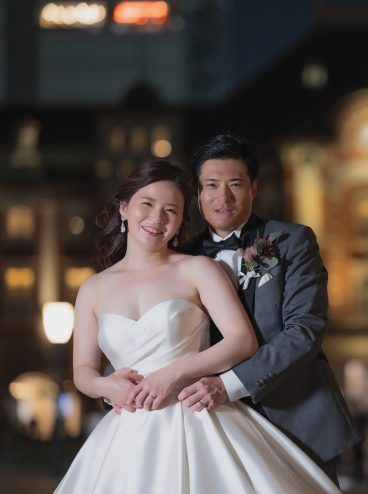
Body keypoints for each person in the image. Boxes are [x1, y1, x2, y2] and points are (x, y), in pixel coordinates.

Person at [54, 160, 342, 493]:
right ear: (123, 208)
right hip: (126, 430)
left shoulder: (198, 270)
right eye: (147, 204)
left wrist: (173, 373)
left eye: (171, 210)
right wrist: (107, 387)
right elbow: (83, 370)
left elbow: (242, 340)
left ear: (180, 222)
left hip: (197, 414)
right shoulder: (93, 287)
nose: (157, 219)